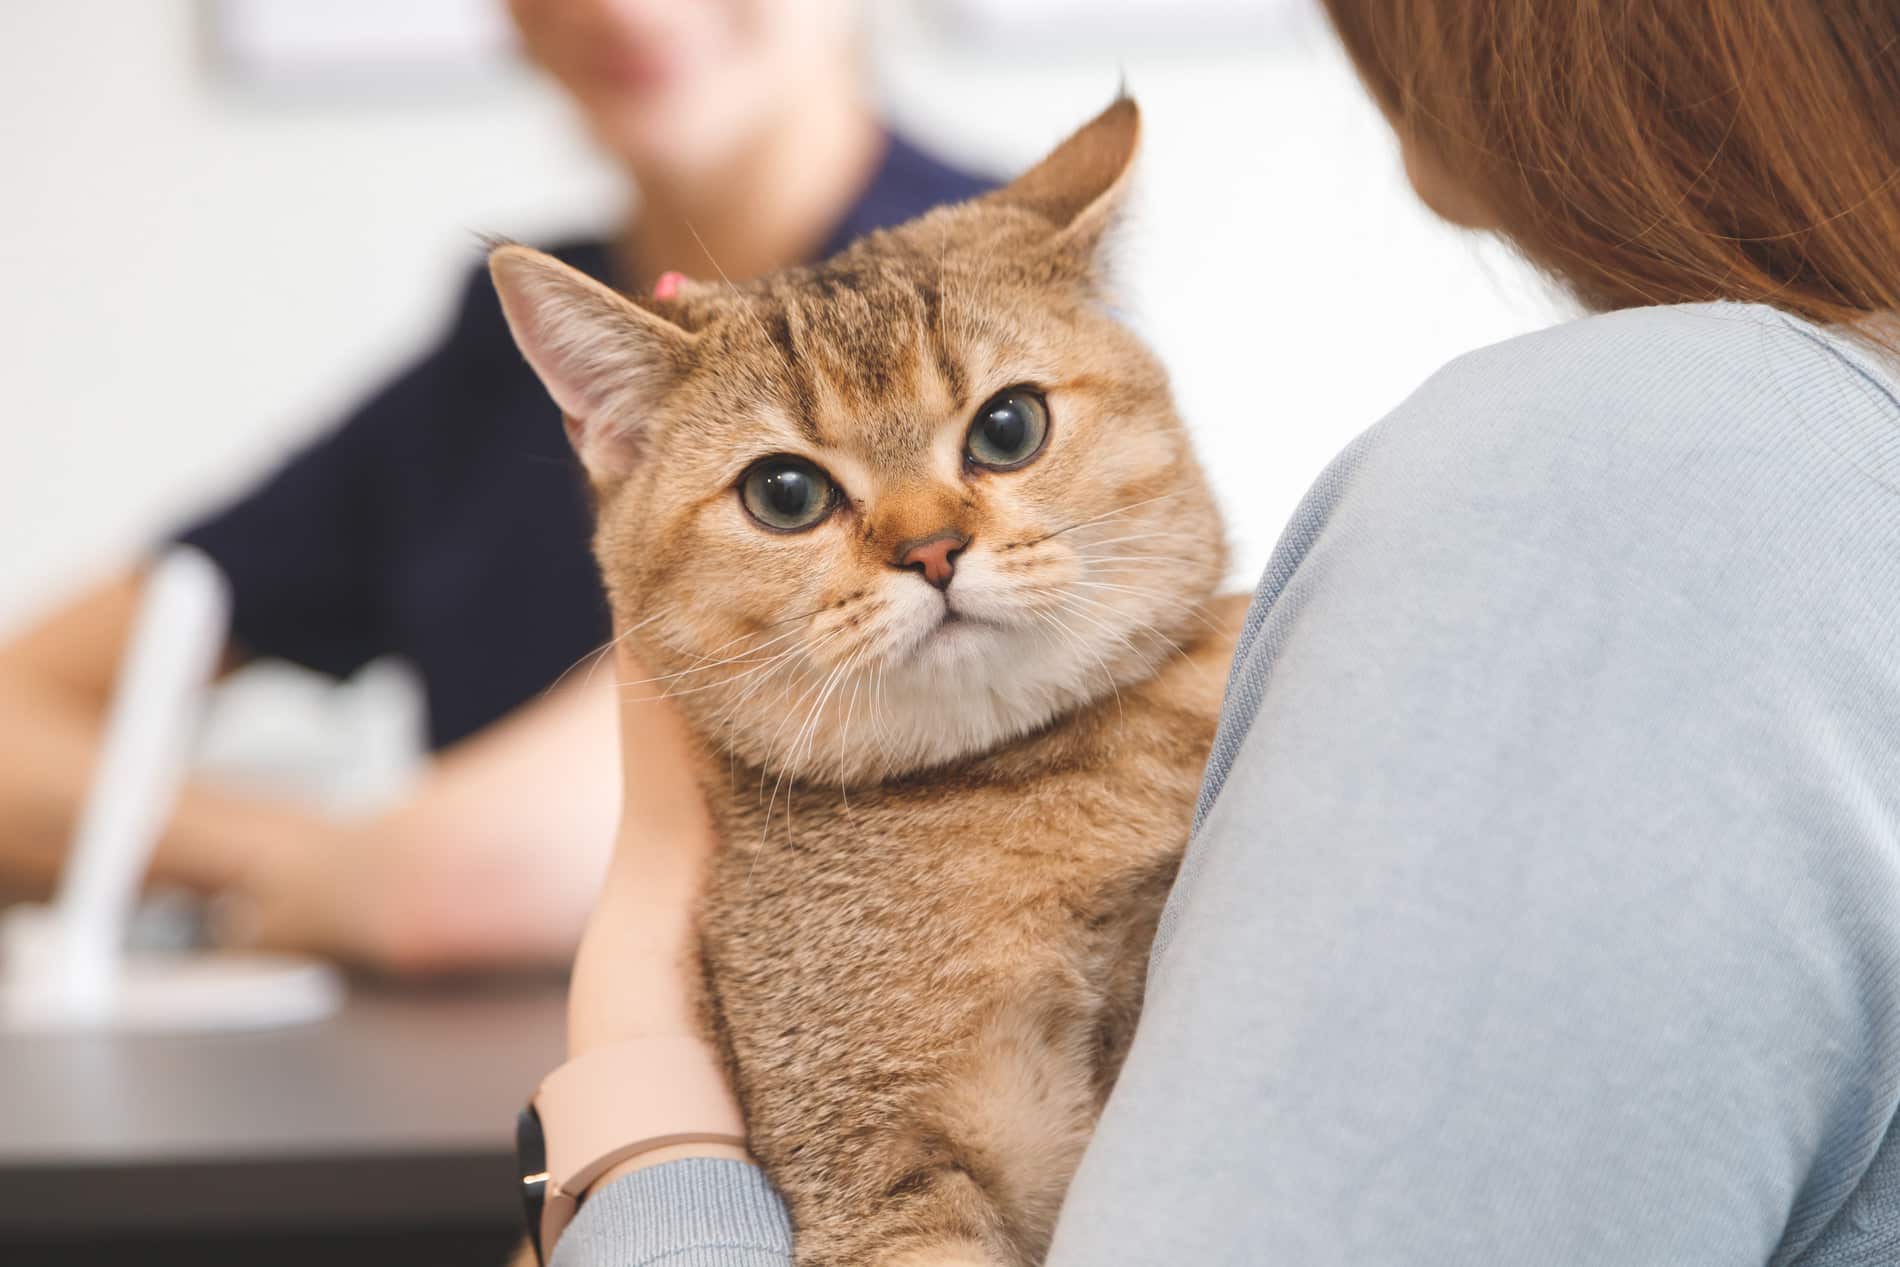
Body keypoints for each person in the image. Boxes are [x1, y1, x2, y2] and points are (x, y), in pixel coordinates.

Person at [549, 1, 1900, 1263]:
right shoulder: (1813, 452)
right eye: (793, 494)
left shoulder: (1635, 455)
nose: (928, 540)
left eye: (1006, 431)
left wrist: (637, 1086)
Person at [0, 0, 990, 972]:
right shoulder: (517, 344)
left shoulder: (996, 306)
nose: (624, 11)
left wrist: (332, 880)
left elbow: (469, 886)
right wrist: (308, 868)